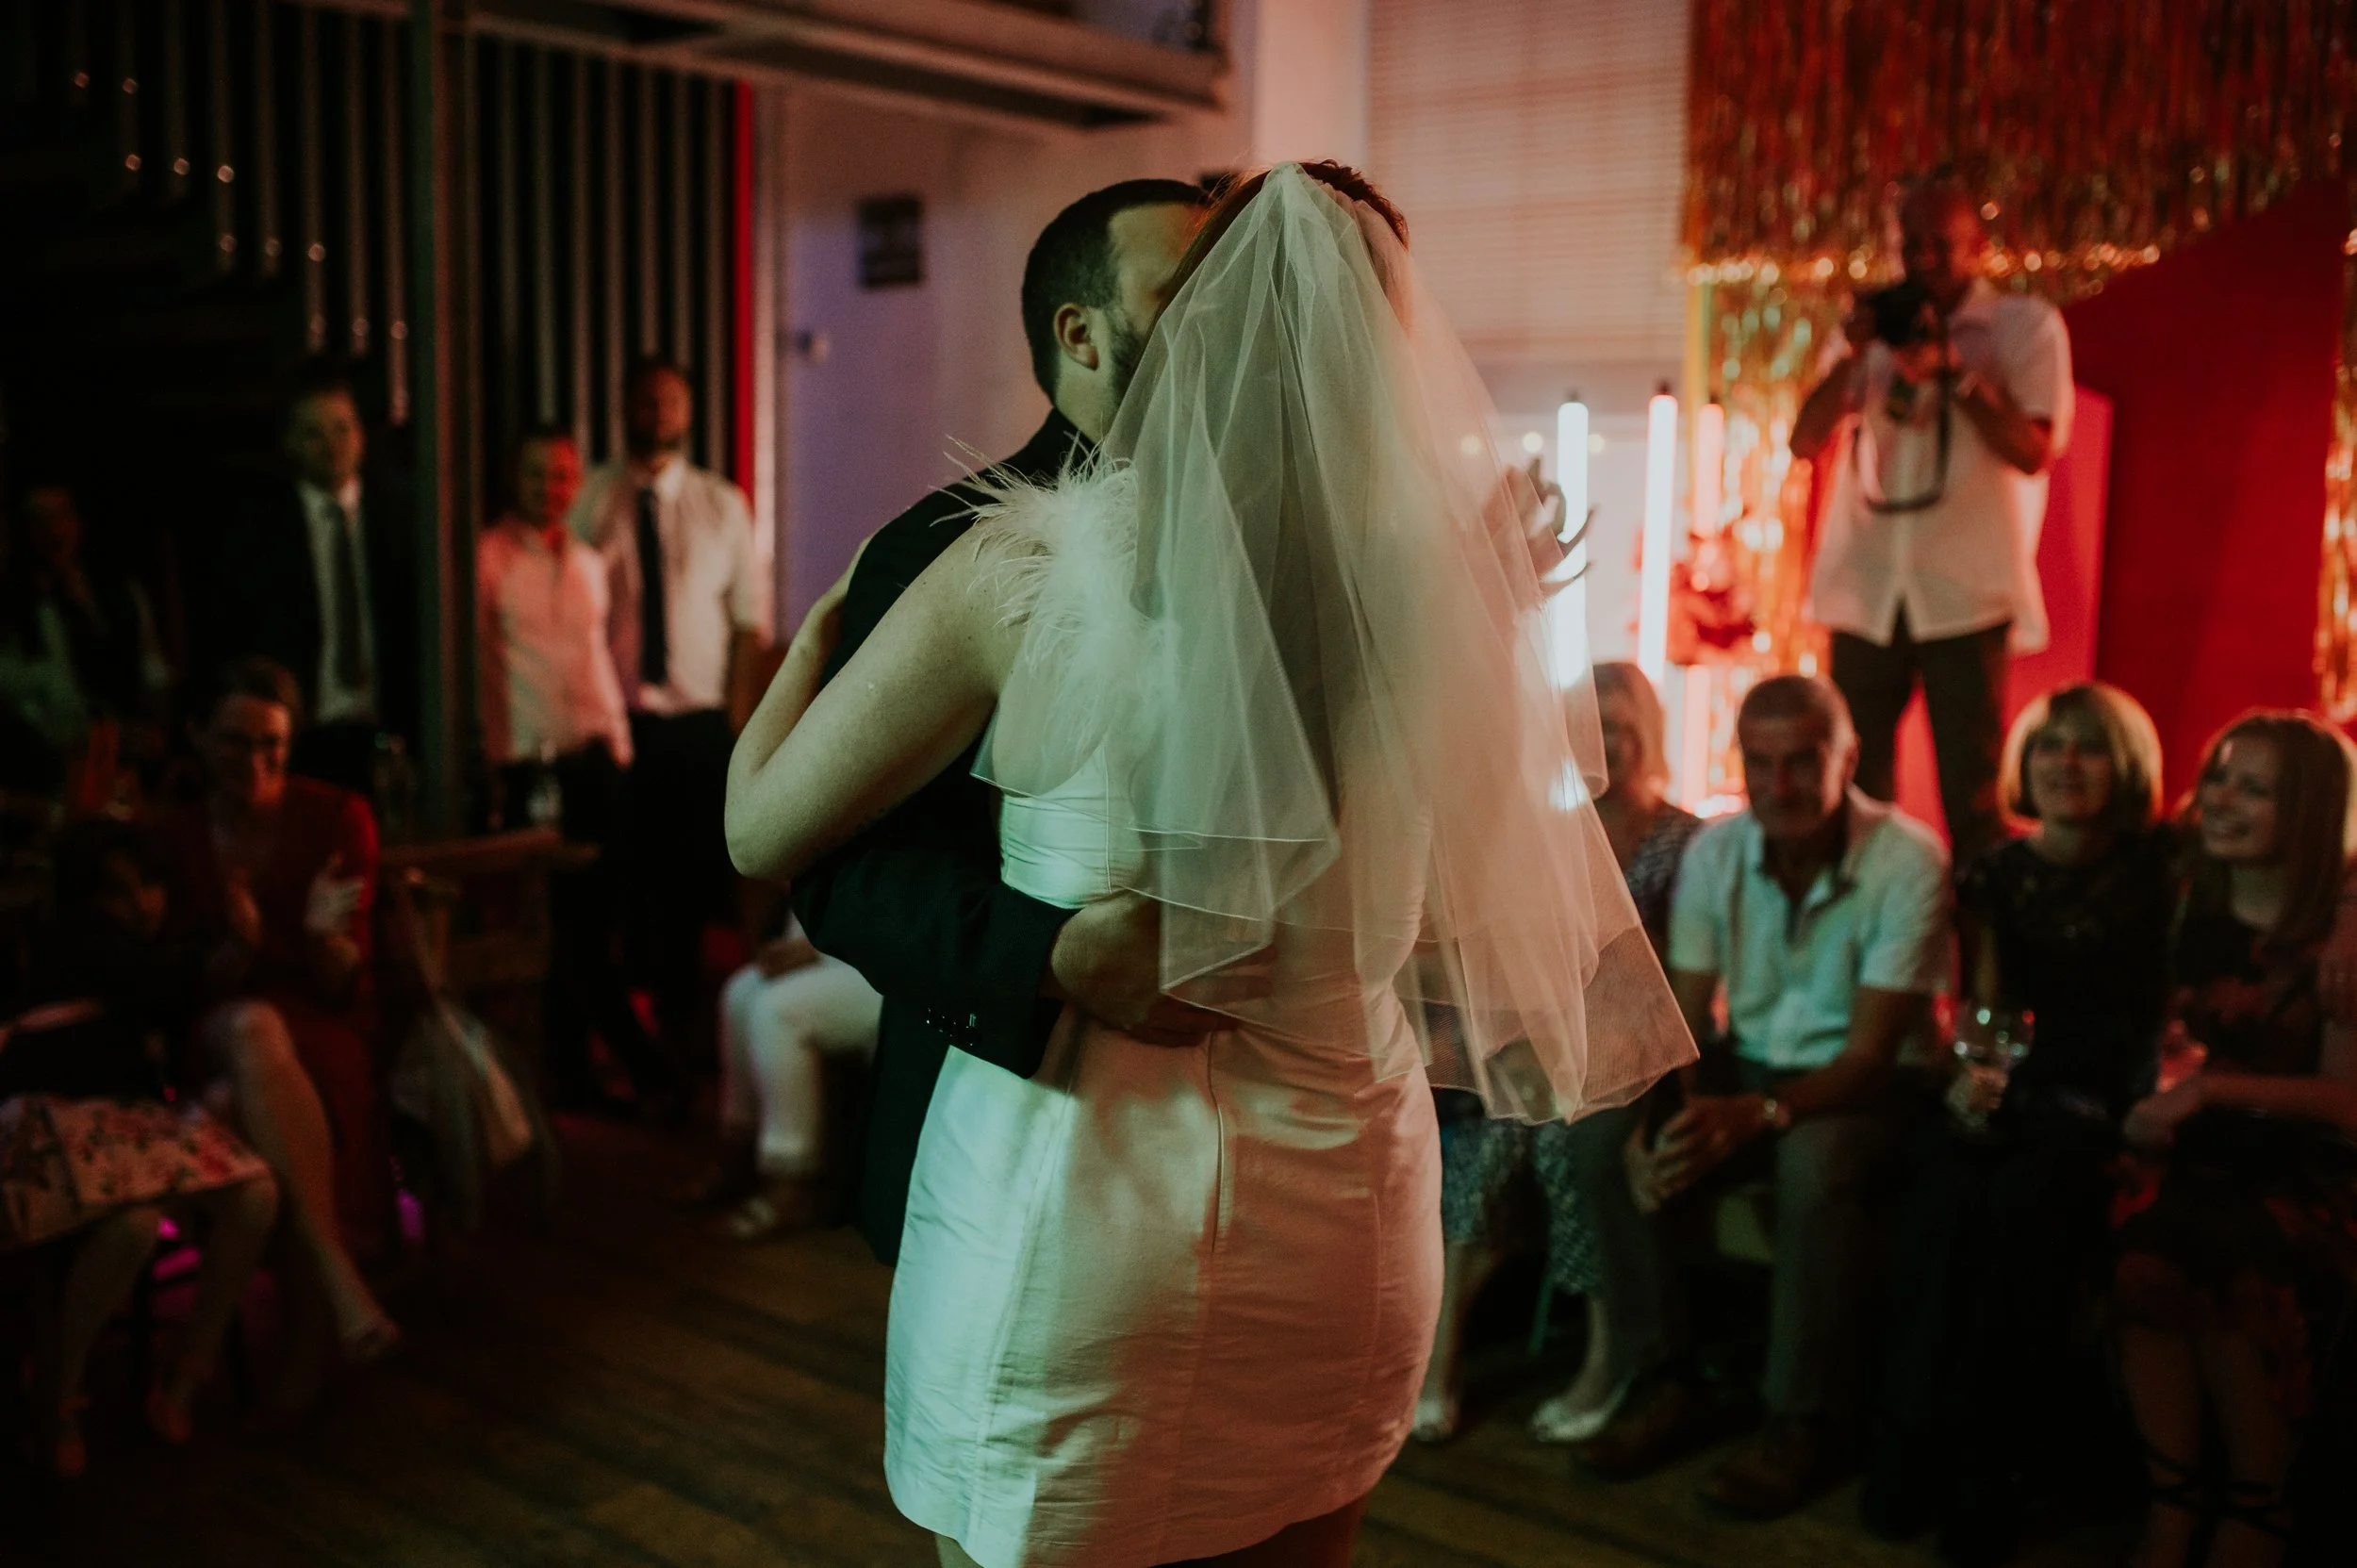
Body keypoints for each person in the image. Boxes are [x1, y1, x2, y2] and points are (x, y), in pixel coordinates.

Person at [731, 162, 1692, 1568]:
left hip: (1089, 1213)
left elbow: (760, 833)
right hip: (1349, 1207)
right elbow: (1448, 915)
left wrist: (811, 647)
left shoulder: (1015, 568)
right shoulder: (1442, 599)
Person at [784, 176, 1213, 1269]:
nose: (1218, 319)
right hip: (1011, 1116)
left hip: (1237, 1142)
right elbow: (838, 864)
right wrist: (1048, 954)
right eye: (1179, 294)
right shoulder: (950, 548)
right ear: (1081, 333)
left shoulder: (1259, 542)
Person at [1571, 673, 1950, 1519]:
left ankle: (1802, 1420)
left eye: (1802, 761)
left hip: (1868, 1087)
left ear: (1847, 758)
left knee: (1815, 1164)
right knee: (1599, 1134)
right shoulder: (1718, 850)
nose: (1778, 786)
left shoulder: (1907, 858)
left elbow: (1872, 1054)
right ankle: (1664, 1375)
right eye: (1760, 762)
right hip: (1749, 1064)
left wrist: (1759, 1114)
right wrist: (1660, 1120)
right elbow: (1682, 1015)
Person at [1864, 681, 2176, 1561]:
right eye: (2049, 745)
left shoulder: (2164, 869)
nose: (2065, 763)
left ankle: (1989, 1475)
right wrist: (1972, 1079)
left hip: (2106, 1101)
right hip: (2018, 1085)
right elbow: (1988, 1010)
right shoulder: (1996, 873)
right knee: (1937, 1193)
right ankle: (1909, 1450)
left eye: (2088, 746)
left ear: (2124, 764)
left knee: (2021, 1214)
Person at [1413, 661, 1703, 1444]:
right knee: (1488, 1144)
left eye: (1623, 726)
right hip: (1543, 1049)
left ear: (1649, 735)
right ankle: (1439, 1358)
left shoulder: (1686, 840)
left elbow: (1680, 981)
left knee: (1564, 1152)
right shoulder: (1548, 836)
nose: (1609, 742)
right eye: (1593, 727)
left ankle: (1609, 1356)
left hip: (1639, 1056)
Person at [2113, 712, 2357, 1568]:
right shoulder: (2192, 898)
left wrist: (2211, 1089)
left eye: (2256, 789)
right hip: (2204, 1156)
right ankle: (2174, 1504)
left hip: (2311, 1170)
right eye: (2219, 776)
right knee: (2146, 1240)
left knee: (2234, 1250)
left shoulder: (2339, 937)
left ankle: (2258, 1507)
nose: (2221, 799)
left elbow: (2347, 1104)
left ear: (2311, 810)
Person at [1789, 175, 2074, 866]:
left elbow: (2033, 451)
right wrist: (1855, 354)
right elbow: (1804, 441)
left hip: (1965, 591)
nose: (1921, 259)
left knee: (1973, 796)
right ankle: (1864, 924)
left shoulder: (2022, 326)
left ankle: (1979, 931)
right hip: (1866, 587)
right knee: (1852, 790)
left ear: (1977, 246)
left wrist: (1958, 375)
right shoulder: (1874, 327)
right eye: (1908, 244)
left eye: (1939, 245)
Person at [156, 656, 400, 1411]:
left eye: (275, 745)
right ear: (197, 735)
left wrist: (326, 940)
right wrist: (238, 947)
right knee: (252, 1024)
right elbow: (170, 992)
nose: (257, 761)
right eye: (237, 741)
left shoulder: (336, 817)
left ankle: (277, 1353)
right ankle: (338, 1286)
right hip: (220, 1018)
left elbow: (344, 984)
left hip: (320, 1017)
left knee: (241, 1113)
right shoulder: (174, 836)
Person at [0, 819, 279, 1477]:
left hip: (128, 1127)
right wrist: (233, 937)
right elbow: (160, 980)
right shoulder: (78, 937)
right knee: (130, 1227)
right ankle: (59, 1394)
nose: (141, 903)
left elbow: (165, 989)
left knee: (256, 1195)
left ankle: (188, 1369)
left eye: (149, 884)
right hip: (59, 1119)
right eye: (121, 891)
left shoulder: (135, 951)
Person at [569, 358, 766, 1066]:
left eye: (671, 401)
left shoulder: (723, 504)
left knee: (690, 895)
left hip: (697, 727)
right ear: (624, 408)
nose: (658, 413)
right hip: (616, 727)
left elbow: (747, 624)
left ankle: (686, 1050)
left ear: (688, 412)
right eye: (646, 400)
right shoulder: (590, 498)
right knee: (620, 890)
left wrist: (735, 726)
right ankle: (633, 1051)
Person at [476, 424, 673, 1112]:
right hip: (529, 765)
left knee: (598, 925)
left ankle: (589, 1072)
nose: (550, 488)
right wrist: (491, 760)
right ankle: (628, 1073)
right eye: (537, 474)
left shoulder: (590, 561)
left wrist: (618, 743)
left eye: (562, 475)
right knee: (560, 928)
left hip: (597, 757)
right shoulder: (487, 558)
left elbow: (598, 657)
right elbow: (476, 665)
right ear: (514, 478)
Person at [209, 373, 420, 798]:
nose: (332, 446)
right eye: (314, 434)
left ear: (361, 434)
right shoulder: (258, 530)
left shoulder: (402, 517)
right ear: (290, 443)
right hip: (299, 737)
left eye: (342, 429)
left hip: (390, 733)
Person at [703, 912, 882, 1240]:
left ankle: (792, 1180)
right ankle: (739, 1148)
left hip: (879, 967)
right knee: (740, 991)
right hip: (825, 949)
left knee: (778, 1010)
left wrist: (820, 949)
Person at [0, 480, 171, 800]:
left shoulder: (119, 591)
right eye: (39, 521)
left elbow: (153, 669)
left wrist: (155, 725)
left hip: (130, 763)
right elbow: (27, 698)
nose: (54, 532)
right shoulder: (15, 607)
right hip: (53, 773)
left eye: (61, 516)